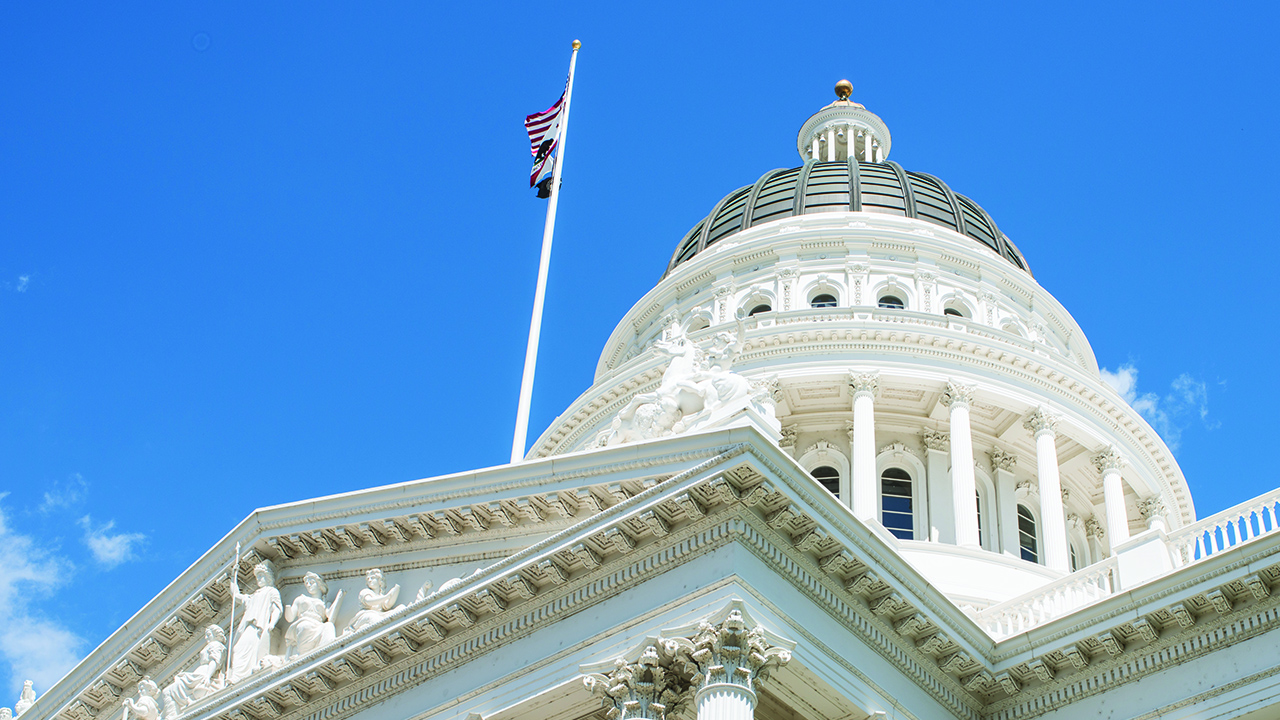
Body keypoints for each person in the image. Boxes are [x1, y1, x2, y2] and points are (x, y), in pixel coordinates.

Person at [228, 560, 282, 684]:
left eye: (261, 576)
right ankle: (238, 676)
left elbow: (277, 609)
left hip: (258, 628)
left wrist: (271, 623)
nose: (259, 579)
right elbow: (236, 595)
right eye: (257, 576)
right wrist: (233, 576)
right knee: (238, 648)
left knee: (245, 649)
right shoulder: (252, 596)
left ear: (268, 577)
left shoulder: (271, 592)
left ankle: (241, 676)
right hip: (249, 626)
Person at [161, 626, 225, 720]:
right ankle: (171, 715)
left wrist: (208, 676)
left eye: (208, 634)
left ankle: (171, 716)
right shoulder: (211, 645)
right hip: (198, 675)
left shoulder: (215, 645)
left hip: (203, 675)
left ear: (215, 634)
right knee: (168, 691)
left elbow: (215, 661)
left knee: (168, 691)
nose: (206, 637)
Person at [283, 572, 342, 658]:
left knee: (329, 626)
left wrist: (339, 598)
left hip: (318, 625)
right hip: (305, 622)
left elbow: (330, 617)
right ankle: (302, 655)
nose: (308, 585)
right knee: (305, 626)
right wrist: (288, 608)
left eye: (311, 583)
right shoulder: (300, 599)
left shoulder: (325, 603)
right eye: (306, 583)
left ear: (319, 584)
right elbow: (290, 618)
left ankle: (327, 652)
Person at [343, 568, 403, 635]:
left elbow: (387, 605)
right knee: (374, 619)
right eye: (368, 579)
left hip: (380, 615)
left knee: (401, 609)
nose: (369, 580)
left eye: (372, 578)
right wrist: (386, 597)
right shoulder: (365, 592)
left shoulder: (380, 595)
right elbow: (369, 601)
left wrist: (395, 591)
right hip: (365, 616)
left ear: (379, 581)